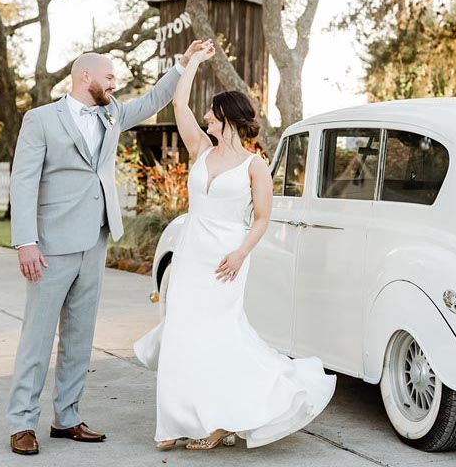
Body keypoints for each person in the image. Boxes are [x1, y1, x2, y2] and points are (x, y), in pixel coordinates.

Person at [7, 41, 206, 456]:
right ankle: (22, 423)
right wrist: (26, 241)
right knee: (38, 336)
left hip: (95, 240)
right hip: (50, 245)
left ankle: (68, 418)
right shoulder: (40, 119)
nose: (115, 84)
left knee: (79, 337)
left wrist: (182, 64)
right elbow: (23, 182)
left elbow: (154, 99)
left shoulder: (112, 113)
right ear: (86, 77)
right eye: (110, 77)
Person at [134, 40, 336, 451]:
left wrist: (242, 253)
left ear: (225, 117)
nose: (205, 115)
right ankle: (174, 421)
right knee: (181, 334)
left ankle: (219, 421)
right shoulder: (199, 150)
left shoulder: (255, 165)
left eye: (212, 110)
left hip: (227, 259)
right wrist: (189, 63)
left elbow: (262, 218)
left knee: (216, 336)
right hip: (192, 255)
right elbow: (179, 104)